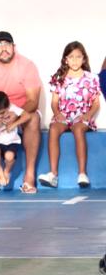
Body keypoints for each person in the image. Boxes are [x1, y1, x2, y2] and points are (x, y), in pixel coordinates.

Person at [0, 31, 43, 194]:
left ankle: (29, 176)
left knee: (34, 118)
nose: (3, 48)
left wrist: (16, 115)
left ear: (14, 47)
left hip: (22, 111)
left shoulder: (27, 66)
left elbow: (33, 100)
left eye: (7, 44)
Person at [37, 41, 100, 189]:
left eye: (78, 57)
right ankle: (53, 174)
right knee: (53, 128)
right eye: (71, 57)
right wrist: (57, 114)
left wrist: (88, 115)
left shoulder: (91, 78)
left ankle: (82, 173)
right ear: (65, 59)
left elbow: (96, 103)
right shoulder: (59, 77)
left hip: (82, 117)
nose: (75, 60)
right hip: (64, 116)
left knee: (78, 129)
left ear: (84, 59)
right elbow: (54, 102)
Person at [0, 90, 32, 189]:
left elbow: (27, 116)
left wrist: (14, 124)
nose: (0, 116)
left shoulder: (12, 108)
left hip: (11, 141)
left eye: (2, 112)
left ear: (7, 106)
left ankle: (7, 171)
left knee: (9, 156)